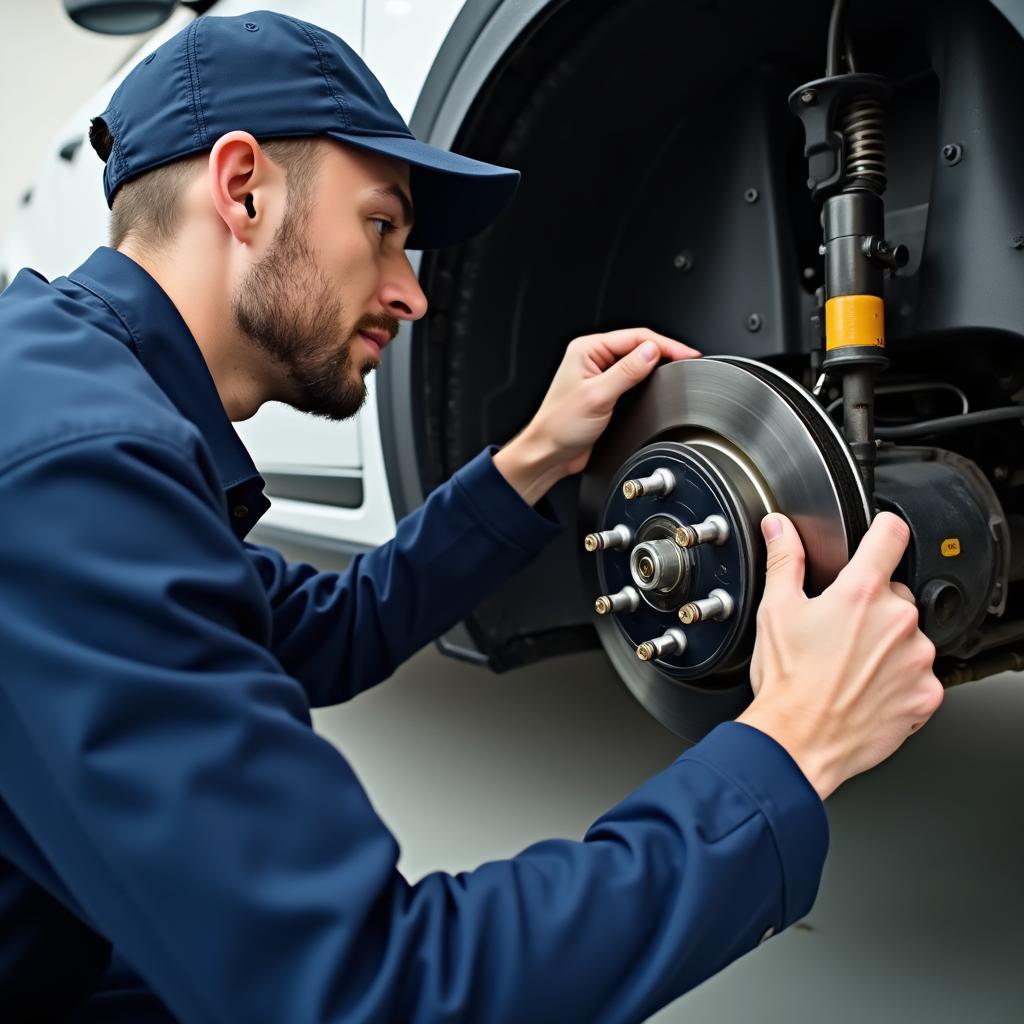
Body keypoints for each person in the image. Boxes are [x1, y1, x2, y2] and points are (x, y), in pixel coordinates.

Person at [0, 11, 942, 1023]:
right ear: (241, 190)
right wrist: (789, 749)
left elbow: (322, 631)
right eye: (383, 226)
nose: (412, 294)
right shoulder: (74, 473)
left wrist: (534, 457)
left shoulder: (70, 395)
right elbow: (370, 993)